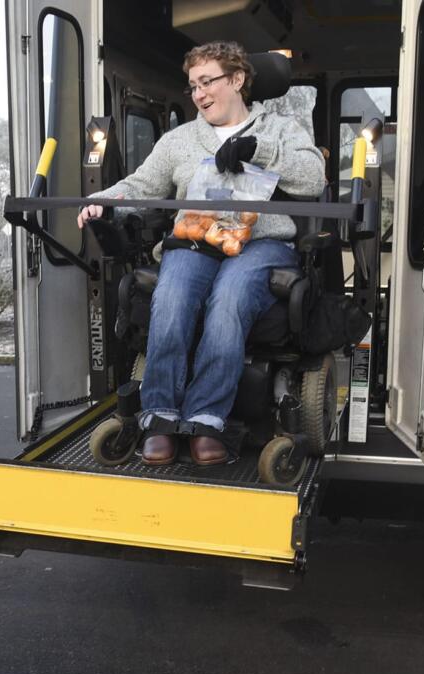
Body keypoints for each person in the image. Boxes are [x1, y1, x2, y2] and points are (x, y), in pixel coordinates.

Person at [78, 41, 325, 466]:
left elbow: (313, 180)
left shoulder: (280, 130)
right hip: (195, 240)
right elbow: (141, 186)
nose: (199, 94)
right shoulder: (180, 141)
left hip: (261, 245)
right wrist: (103, 199)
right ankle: (159, 417)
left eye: (207, 82)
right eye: (193, 86)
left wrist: (257, 151)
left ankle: (208, 419)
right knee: (171, 296)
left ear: (237, 80)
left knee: (229, 297)